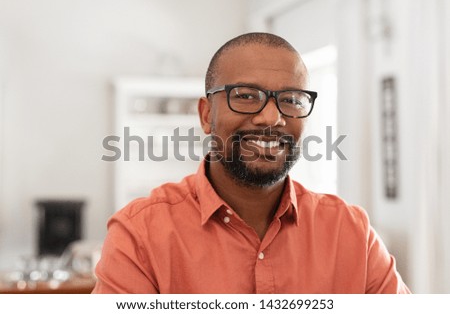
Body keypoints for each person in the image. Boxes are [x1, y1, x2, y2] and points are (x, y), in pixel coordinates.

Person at [92, 32, 410, 294]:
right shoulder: (140, 236)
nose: (271, 118)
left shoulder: (351, 233)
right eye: (245, 96)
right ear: (206, 115)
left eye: (291, 100)